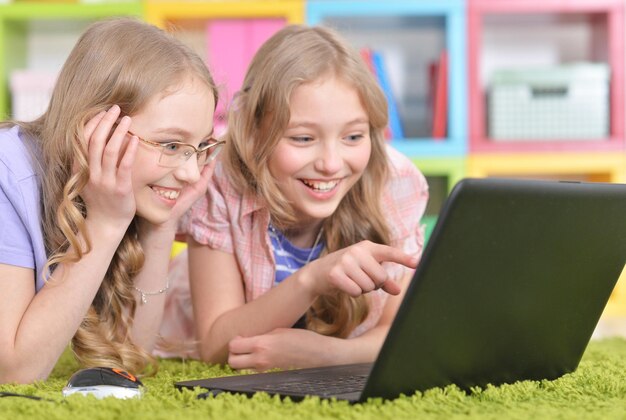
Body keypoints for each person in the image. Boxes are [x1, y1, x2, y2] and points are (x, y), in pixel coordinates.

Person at [165, 24, 429, 371]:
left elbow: (401, 333)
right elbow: (216, 343)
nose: (331, 164)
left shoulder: (395, 183)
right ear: (255, 132)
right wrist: (312, 279)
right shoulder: (218, 183)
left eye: (352, 136)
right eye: (303, 139)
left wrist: (328, 355)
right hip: (177, 332)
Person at [0, 17, 221, 383]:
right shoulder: (8, 172)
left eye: (200, 148)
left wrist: (160, 227)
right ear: (96, 131)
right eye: (170, 145)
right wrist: (104, 224)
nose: (192, 174)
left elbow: (129, 359)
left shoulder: (118, 193)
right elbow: (13, 371)